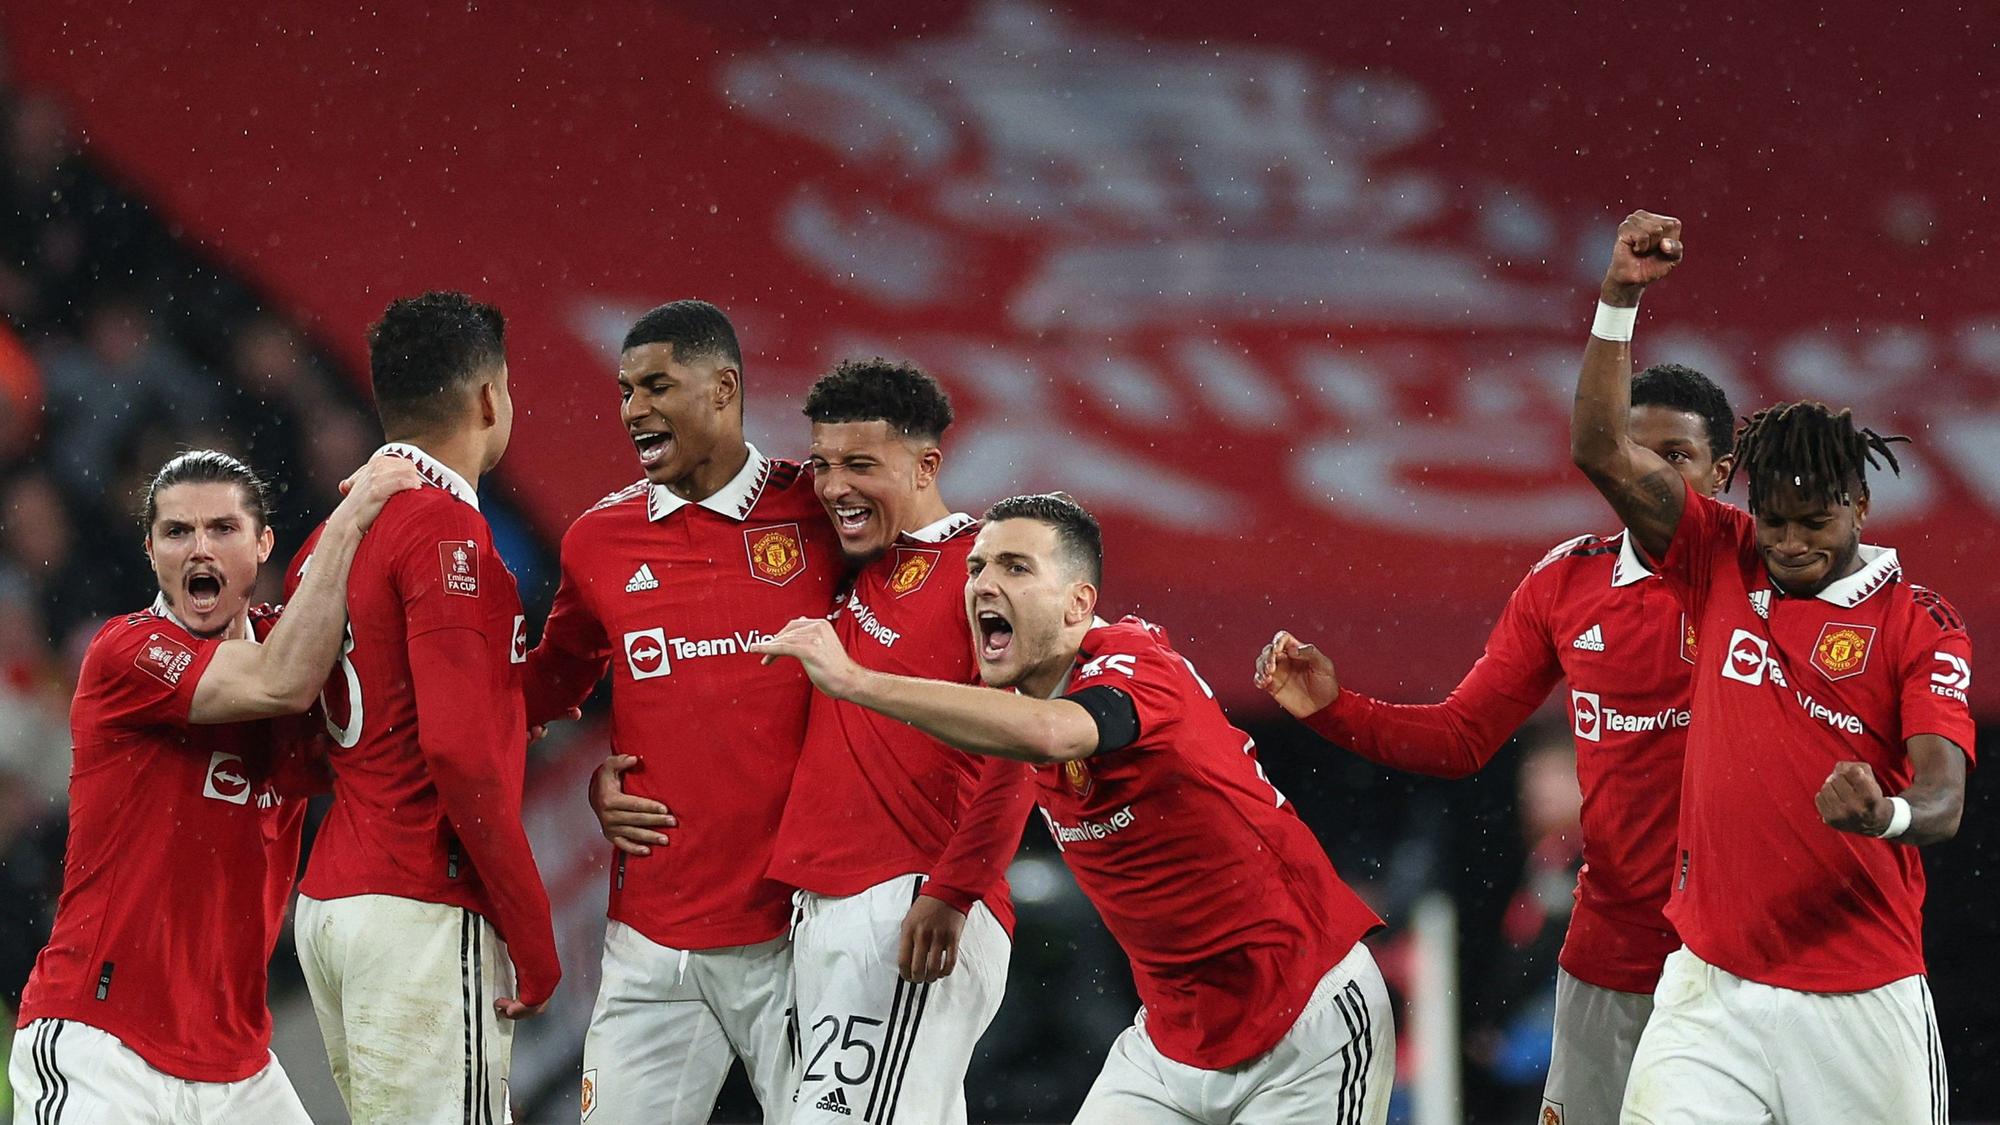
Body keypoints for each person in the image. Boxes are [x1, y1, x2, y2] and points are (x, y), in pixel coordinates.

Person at [753, 493, 1393, 1124]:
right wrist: (954, 890)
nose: (983, 585)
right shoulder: (1026, 702)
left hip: (1307, 1025)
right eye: (977, 567)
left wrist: (857, 681)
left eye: (1016, 567)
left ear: (1078, 604)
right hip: (1171, 1046)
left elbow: (1055, 733)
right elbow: (1009, 754)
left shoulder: (1138, 665)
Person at [1255, 362, 1737, 1124]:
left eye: (1674, 455)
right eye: (1633, 452)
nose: (1647, 475)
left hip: (1741, 953)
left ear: (1724, 472)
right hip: (1609, 957)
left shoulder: (1763, 578)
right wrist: (1335, 709)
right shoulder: (1565, 584)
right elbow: (1459, 736)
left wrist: (1619, 295)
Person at [1570, 211, 1969, 1124]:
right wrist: (1620, 298)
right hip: (1709, 991)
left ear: (1860, 504)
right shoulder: (1722, 554)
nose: (1788, 542)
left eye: (1814, 522)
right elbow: (1598, 448)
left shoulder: (1920, 626)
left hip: (1859, 1001)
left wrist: (1889, 813)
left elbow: (1944, 800)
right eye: (1774, 518)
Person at [8, 448, 418, 1123]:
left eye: (222, 528)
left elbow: (405, 729)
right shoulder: (126, 652)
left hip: (237, 1066)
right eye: (176, 531)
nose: (199, 548)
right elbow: (276, 682)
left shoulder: (295, 644)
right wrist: (350, 523)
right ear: (150, 551)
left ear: (262, 544)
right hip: (101, 1045)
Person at [524, 299, 839, 1123]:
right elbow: (549, 686)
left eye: (658, 385)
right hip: (653, 940)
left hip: (799, 932)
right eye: (625, 390)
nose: (633, 410)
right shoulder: (598, 540)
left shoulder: (822, 514)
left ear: (726, 388)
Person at [288, 291, 561, 1125]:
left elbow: (301, 727)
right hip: (418, 903)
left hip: (334, 902)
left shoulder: (331, 535)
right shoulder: (446, 534)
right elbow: (457, 752)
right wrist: (530, 922)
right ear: (488, 399)